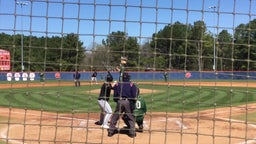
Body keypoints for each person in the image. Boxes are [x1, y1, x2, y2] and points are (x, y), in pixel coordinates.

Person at [107, 72, 138, 138]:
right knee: (130, 117)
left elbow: (115, 95)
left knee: (115, 116)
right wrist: (132, 102)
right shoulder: (132, 84)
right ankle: (132, 133)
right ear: (128, 77)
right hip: (127, 102)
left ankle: (110, 132)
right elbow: (134, 96)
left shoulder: (118, 84)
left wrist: (117, 101)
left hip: (119, 101)